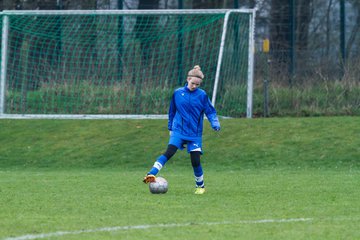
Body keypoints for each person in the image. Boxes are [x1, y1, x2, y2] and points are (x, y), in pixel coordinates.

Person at [143, 65, 220, 194]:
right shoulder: (178, 93)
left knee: (195, 160)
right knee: (169, 152)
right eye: (193, 83)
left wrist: (215, 123)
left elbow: (210, 111)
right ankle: (151, 174)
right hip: (178, 130)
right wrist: (170, 127)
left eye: (197, 84)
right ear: (188, 79)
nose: (195, 86)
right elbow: (172, 111)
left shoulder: (202, 95)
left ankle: (200, 186)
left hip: (194, 134)